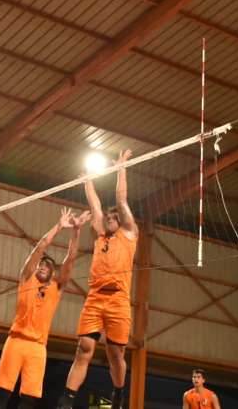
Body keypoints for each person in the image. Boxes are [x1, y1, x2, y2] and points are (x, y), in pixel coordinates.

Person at [56, 150, 139, 409]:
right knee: (83, 350)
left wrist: (121, 168)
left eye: (114, 218)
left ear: (121, 221)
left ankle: (118, 393)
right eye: (108, 218)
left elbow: (121, 200)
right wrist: (88, 182)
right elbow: (95, 208)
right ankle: (66, 401)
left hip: (118, 301)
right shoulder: (99, 237)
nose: (110, 219)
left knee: (116, 355)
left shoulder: (129, 233)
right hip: (95, 299)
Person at [0, 208, 90, 409]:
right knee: (3, 392)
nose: (42, 266)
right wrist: (59, 227)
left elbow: (70, 261)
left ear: (53, 273)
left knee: (29, 398)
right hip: (16, 340)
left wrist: (76, 231)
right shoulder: (27, 278)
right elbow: (40, 247)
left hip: (38, 346)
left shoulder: (56, 287)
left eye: (47, 265)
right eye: (41, 264)